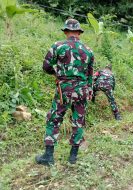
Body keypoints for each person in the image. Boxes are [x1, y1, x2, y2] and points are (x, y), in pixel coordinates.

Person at [35, 19, 94, 166]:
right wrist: (89, 90)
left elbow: (46, 66)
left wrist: (57, 74)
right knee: (78, 121)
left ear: (66, 32)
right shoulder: (88, 50)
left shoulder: (58, 46)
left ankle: (48, 156)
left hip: (64, 90)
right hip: (82, 90)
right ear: (79, 33)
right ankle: (73, 157)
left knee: (54, 119)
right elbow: (90, 75)